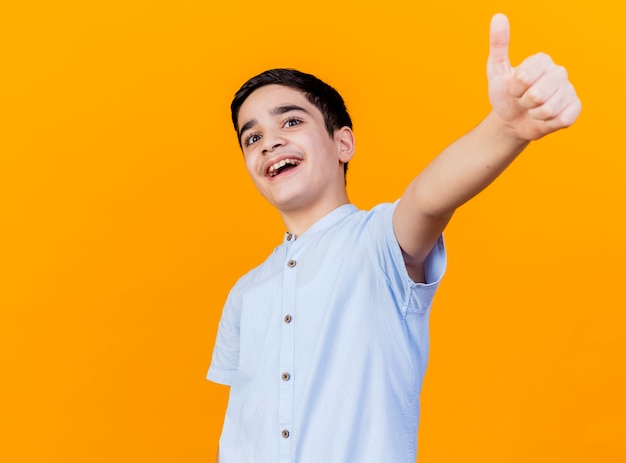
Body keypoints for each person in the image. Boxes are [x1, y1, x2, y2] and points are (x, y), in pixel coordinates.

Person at [207, 13, 581, 463]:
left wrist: (506, 129)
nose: (267, 142)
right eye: (252, 137)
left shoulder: (377, 244)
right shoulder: (245, 293)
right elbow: (243, 423)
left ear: (343, 143)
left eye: (290, 122)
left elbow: (427, 199)